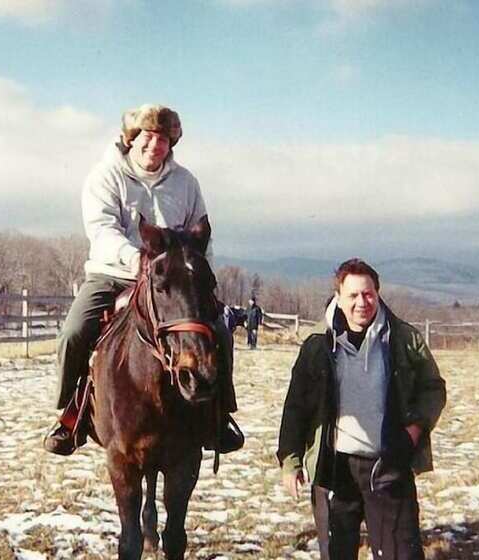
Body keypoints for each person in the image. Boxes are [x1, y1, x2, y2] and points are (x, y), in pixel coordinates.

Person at [44, 103, 244, 456]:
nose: (155, 146)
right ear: (132, 139)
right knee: (75, 332)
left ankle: (219, 415)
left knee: (221, 333)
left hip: (173, 283)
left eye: (164, 139)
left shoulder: (186, 182)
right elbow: (102, 229)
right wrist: (134, 258)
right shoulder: (105, 176)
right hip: (115, 274)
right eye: (148, 137)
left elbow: (201, 235)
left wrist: (199, 279)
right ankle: (69, 415)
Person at [276, 258, 446, 560]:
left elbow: (433, 388)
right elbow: (296, 405)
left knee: (401, 553)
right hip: (334, 467)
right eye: (353, 295)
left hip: (388, 463)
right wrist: (291, 460)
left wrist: (414, 430)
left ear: (377, 294)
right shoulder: (317, 344)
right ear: (339, 297)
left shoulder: (403, 338)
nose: (361, 303)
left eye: (368, 294)